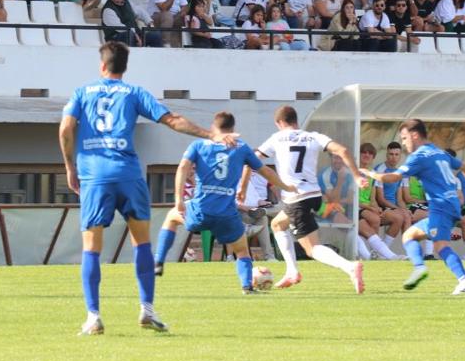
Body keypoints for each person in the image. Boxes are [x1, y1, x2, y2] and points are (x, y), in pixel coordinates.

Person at [59, 41, 239, 336]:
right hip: (128, 174)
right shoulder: (134, 92)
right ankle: (147, 309)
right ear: (124, 67)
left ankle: (93, 316)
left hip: (94, 176)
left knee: (92, 247)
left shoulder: (82, 92)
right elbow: (172, 120)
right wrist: (210, 135)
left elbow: (66, 128)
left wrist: (70, 167)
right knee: (141, 242)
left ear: (102, 65)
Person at [153, 111, 295, 292]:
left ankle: (159, 260)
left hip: (201, 210)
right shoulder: (241, 147)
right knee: (242, 249)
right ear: (233, 128)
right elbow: (265, 171)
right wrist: (286, 186)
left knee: (172, 218)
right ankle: (246, 286)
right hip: (227, 214)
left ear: (213, 126)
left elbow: (182, 167)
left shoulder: (198, 145)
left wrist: (179, 199)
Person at [362, 119, 465, 294]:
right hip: (449, 205)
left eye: (404, 138)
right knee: (409, 235)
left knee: (440, 246)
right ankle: (419, 268)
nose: (403, 143)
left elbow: (393, 177)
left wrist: (369, 173)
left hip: (441, 206)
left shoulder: (419, 156)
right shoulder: (438, 151)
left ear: (414, 135)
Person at [254, 105, 365, 292]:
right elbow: (343, 150)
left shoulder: (277, 138)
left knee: (312, 249)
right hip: (314, 195)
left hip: (296, 197)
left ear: (279, 123)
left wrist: (241, 185)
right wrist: (356, 176)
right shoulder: (313, 136)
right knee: (277, 225)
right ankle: (292, 271)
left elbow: (254, 159)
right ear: (296, 121)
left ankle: (349, 267)